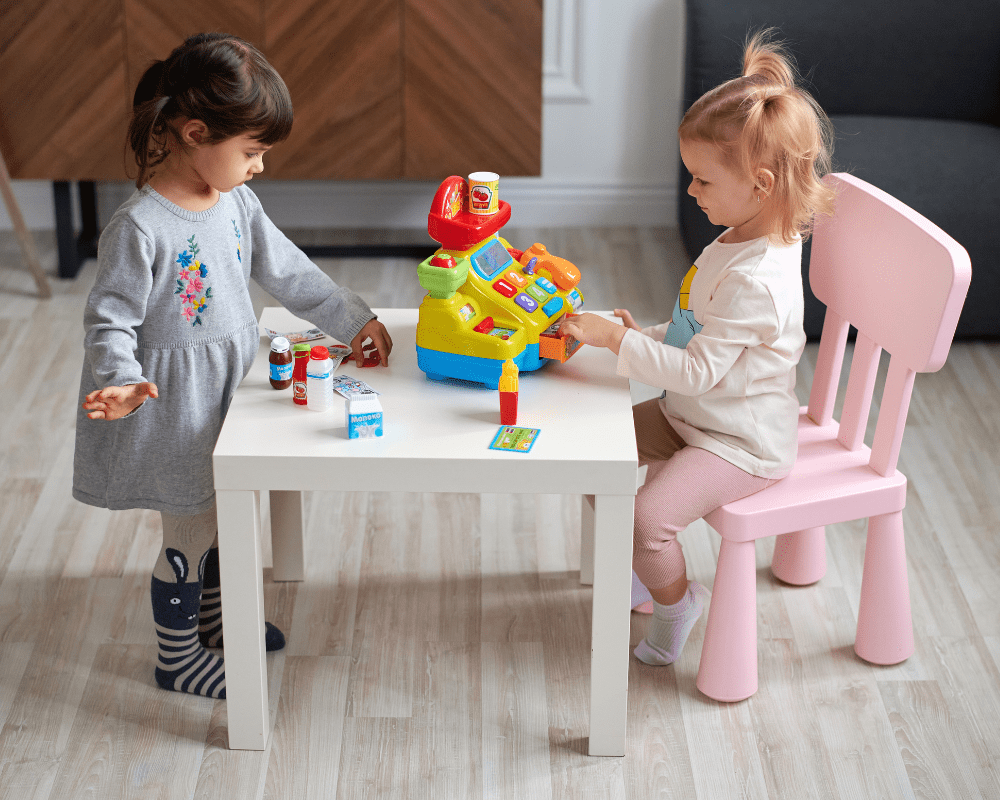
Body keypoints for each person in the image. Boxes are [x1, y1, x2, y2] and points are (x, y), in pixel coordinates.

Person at [72, 33, 393, 699]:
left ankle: (216, 625)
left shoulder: (237, 203)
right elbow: (109, 317)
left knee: (223, 510)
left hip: (230, 389)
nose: (259, 167)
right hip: (171, 404)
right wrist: (120, 382)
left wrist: (352, 316)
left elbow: (289, 272)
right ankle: (178, 657)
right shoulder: (139, 226)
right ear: (195, 133)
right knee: (189, 530)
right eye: (251, 151)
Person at [560, 30, 835, 667]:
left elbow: (700, 371)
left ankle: (676, 603)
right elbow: (694, 332)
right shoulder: (736, 236)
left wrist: (621, 343)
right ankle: (651, 573)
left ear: (762, 184)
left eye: (703, 180)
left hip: (737, 441)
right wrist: (633, 334)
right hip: (691, 413)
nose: (691, 192)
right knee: (586, 457)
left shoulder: (758, 282)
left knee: (644, 520)